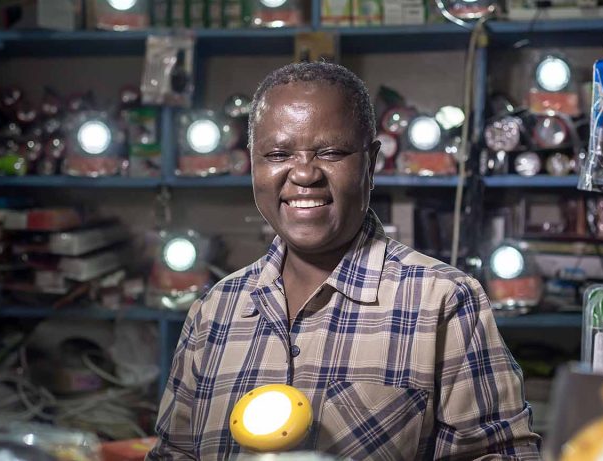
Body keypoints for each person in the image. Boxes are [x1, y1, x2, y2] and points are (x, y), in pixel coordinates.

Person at [147, 62, 541, 460]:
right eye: (278, 153)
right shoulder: (215, 310)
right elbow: (172, 454)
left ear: (370, 163)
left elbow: (502, 455)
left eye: (332, 152)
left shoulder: (444, 301)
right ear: (254, 163)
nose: (303, 173)